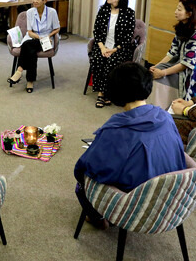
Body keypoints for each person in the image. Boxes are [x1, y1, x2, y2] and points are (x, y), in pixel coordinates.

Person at [74, 62, 186, 229]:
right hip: (172, 195)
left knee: (81, 186)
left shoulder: (117, 130)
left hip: (134, 201)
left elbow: (87, 168)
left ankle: (99, 219)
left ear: (114, 93)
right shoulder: (166, 116)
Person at [149, 0, 196, 106]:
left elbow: (187, 64)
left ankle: (163, 108)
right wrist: (157, 66)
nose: (175, 12)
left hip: (194, 72)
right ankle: (155, 107)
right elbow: (172, 53)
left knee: (159, 78)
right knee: (151, 73)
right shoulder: (182, 27)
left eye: (179, 9)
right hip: (179, 64)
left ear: (189, 14)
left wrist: (163, 72)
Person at [89, 0, 135, 108]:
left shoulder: (129, 13)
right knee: (98, 59)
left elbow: (128, 37)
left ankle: (106, 93)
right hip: (102, 46)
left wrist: (113, 50)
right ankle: (101, 93)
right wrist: (103, 48)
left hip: (119, 48)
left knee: (111, 62)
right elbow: (96, 31)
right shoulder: (103, 10)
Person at [6, 0, 60, 93]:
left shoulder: (52, 12)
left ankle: (19, 71)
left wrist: (48, 36)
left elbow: (57, 28)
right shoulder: (30, 12)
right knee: (30, 47)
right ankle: (29, 80)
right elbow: (29, 31)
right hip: (34, 37)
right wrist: (40, 38)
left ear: (45, 0)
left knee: (28, 46)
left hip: (47, 38)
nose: (34, 1)